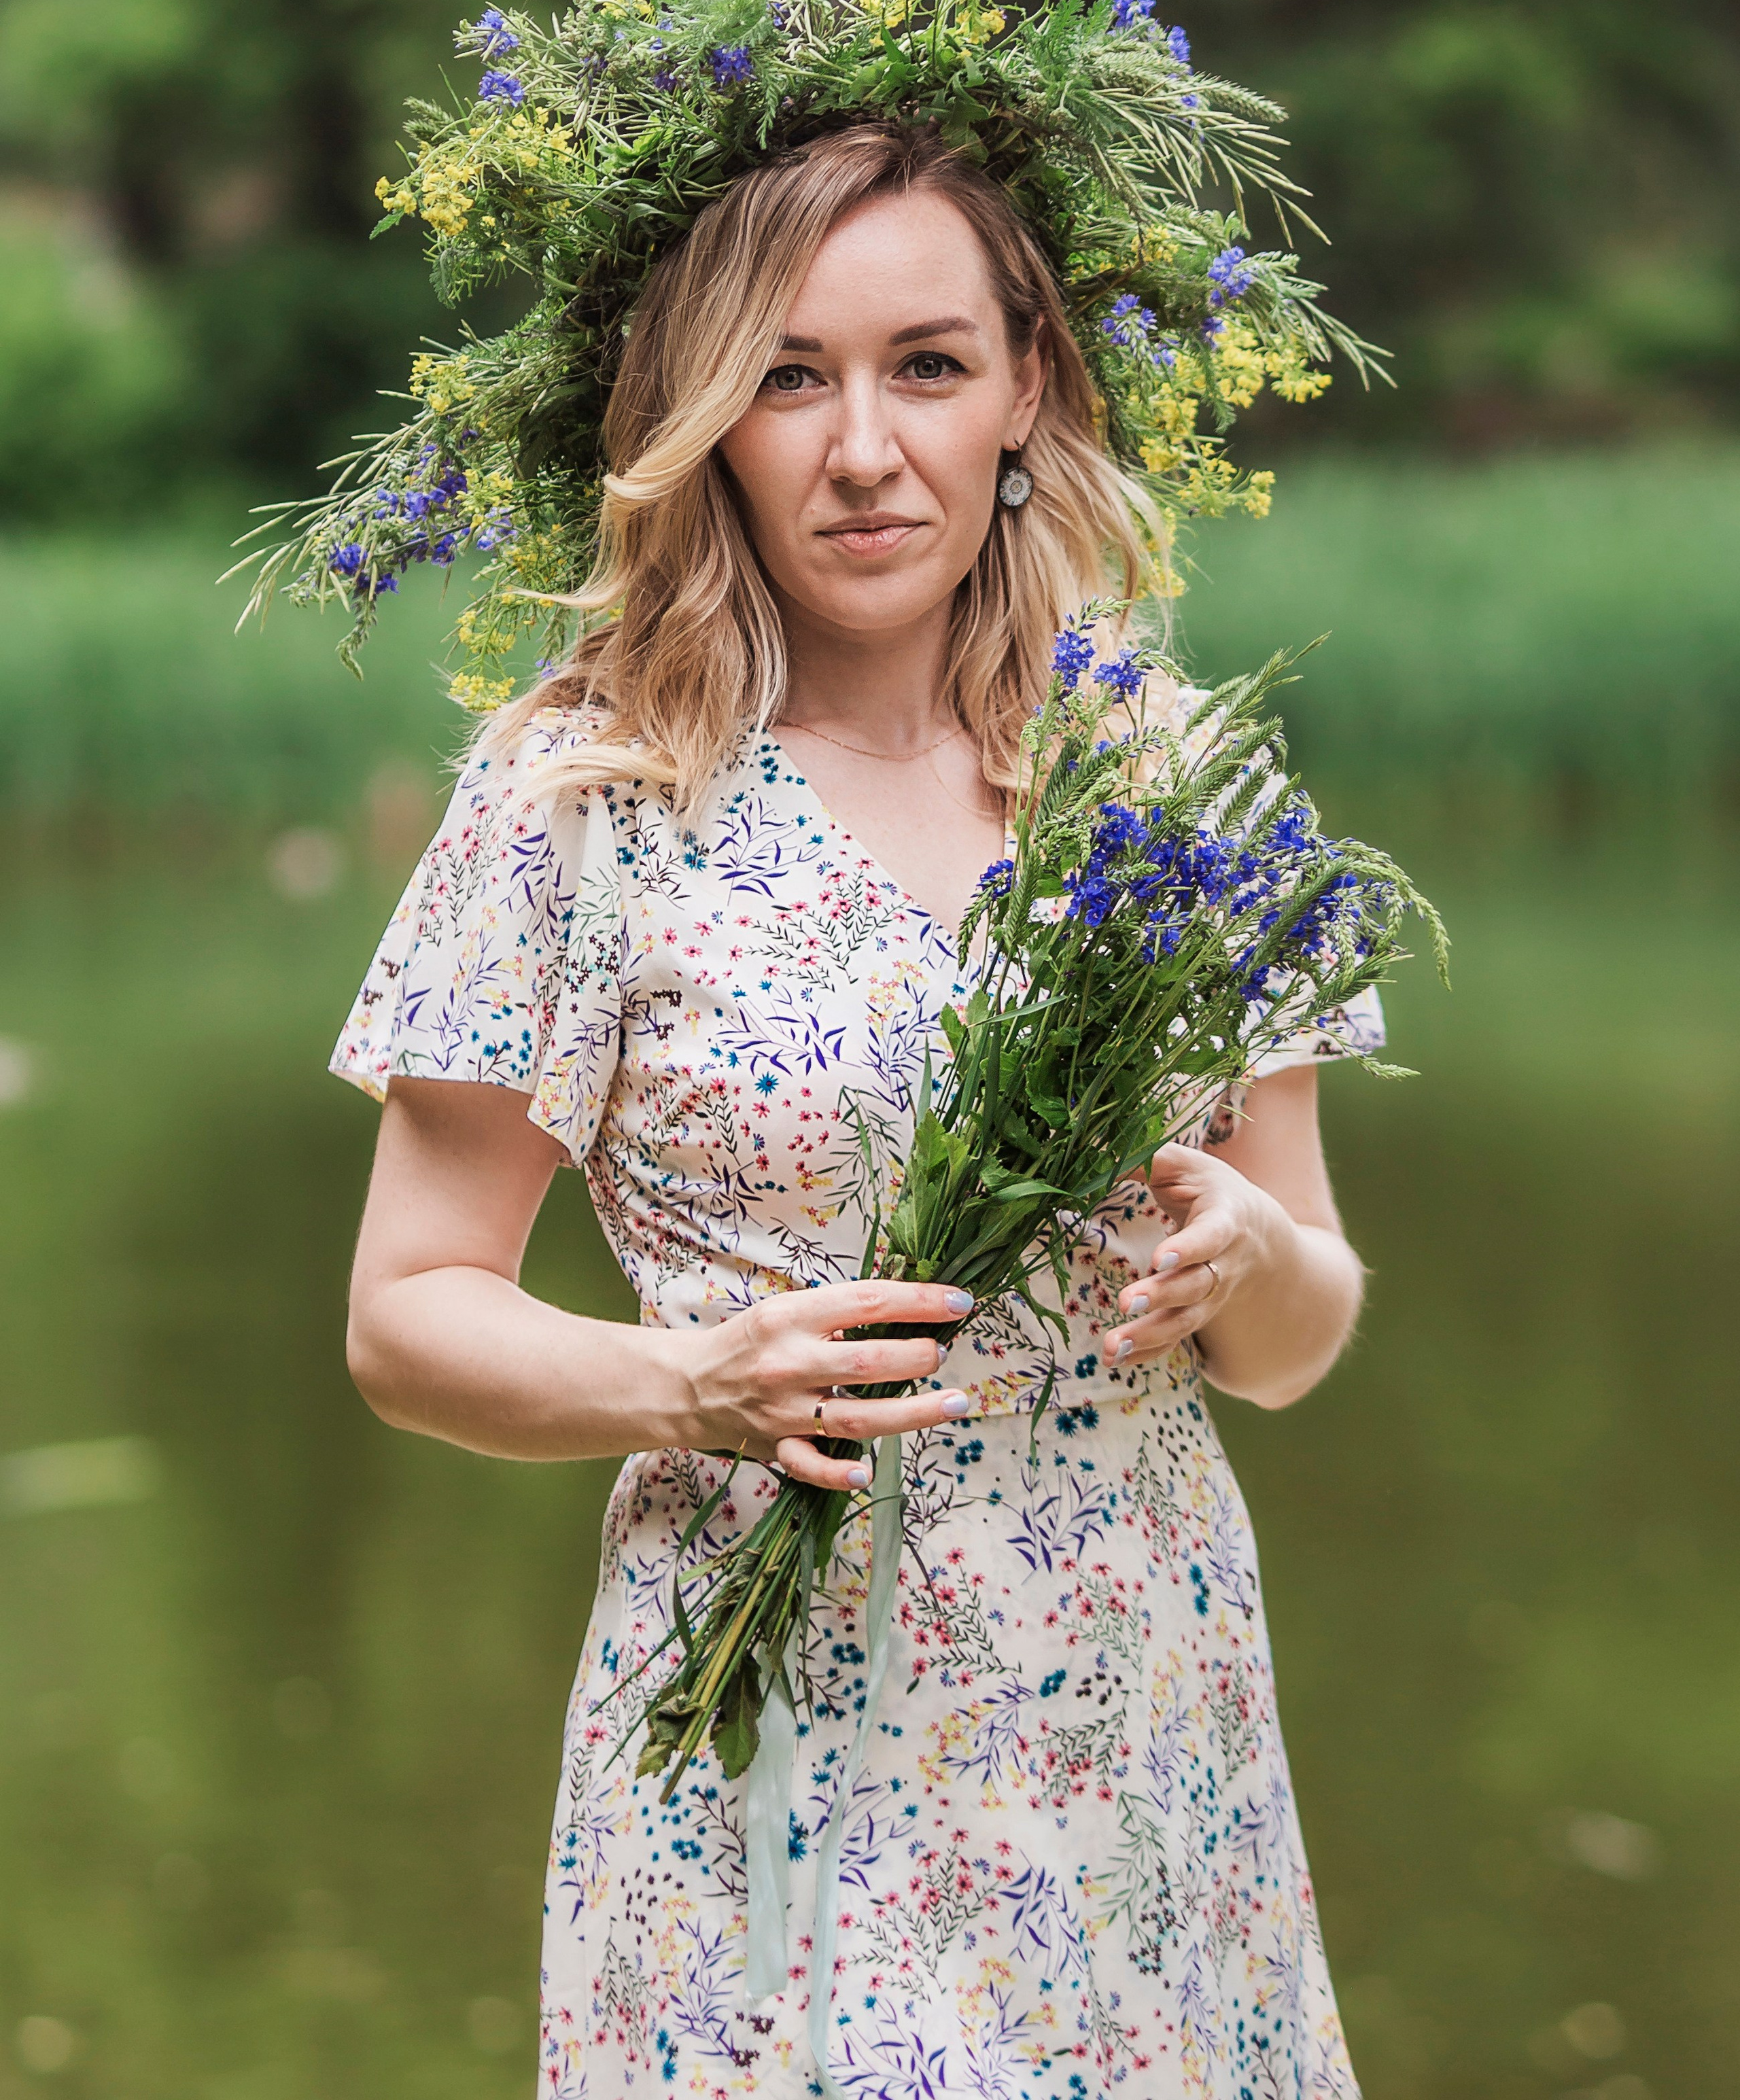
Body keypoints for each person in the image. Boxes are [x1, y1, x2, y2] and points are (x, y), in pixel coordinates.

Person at [335, 118, 1381, 2099]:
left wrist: (1252, 1254)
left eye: (928, 365)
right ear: (703, 417)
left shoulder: (1167, 778)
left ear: (1026, 389)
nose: (865, 448)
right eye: (788, 377)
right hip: (768, 1748)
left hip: (1137, 1742)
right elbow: (406, 1314)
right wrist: (696, 1380)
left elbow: (1298, 1343)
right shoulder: (586, 791)